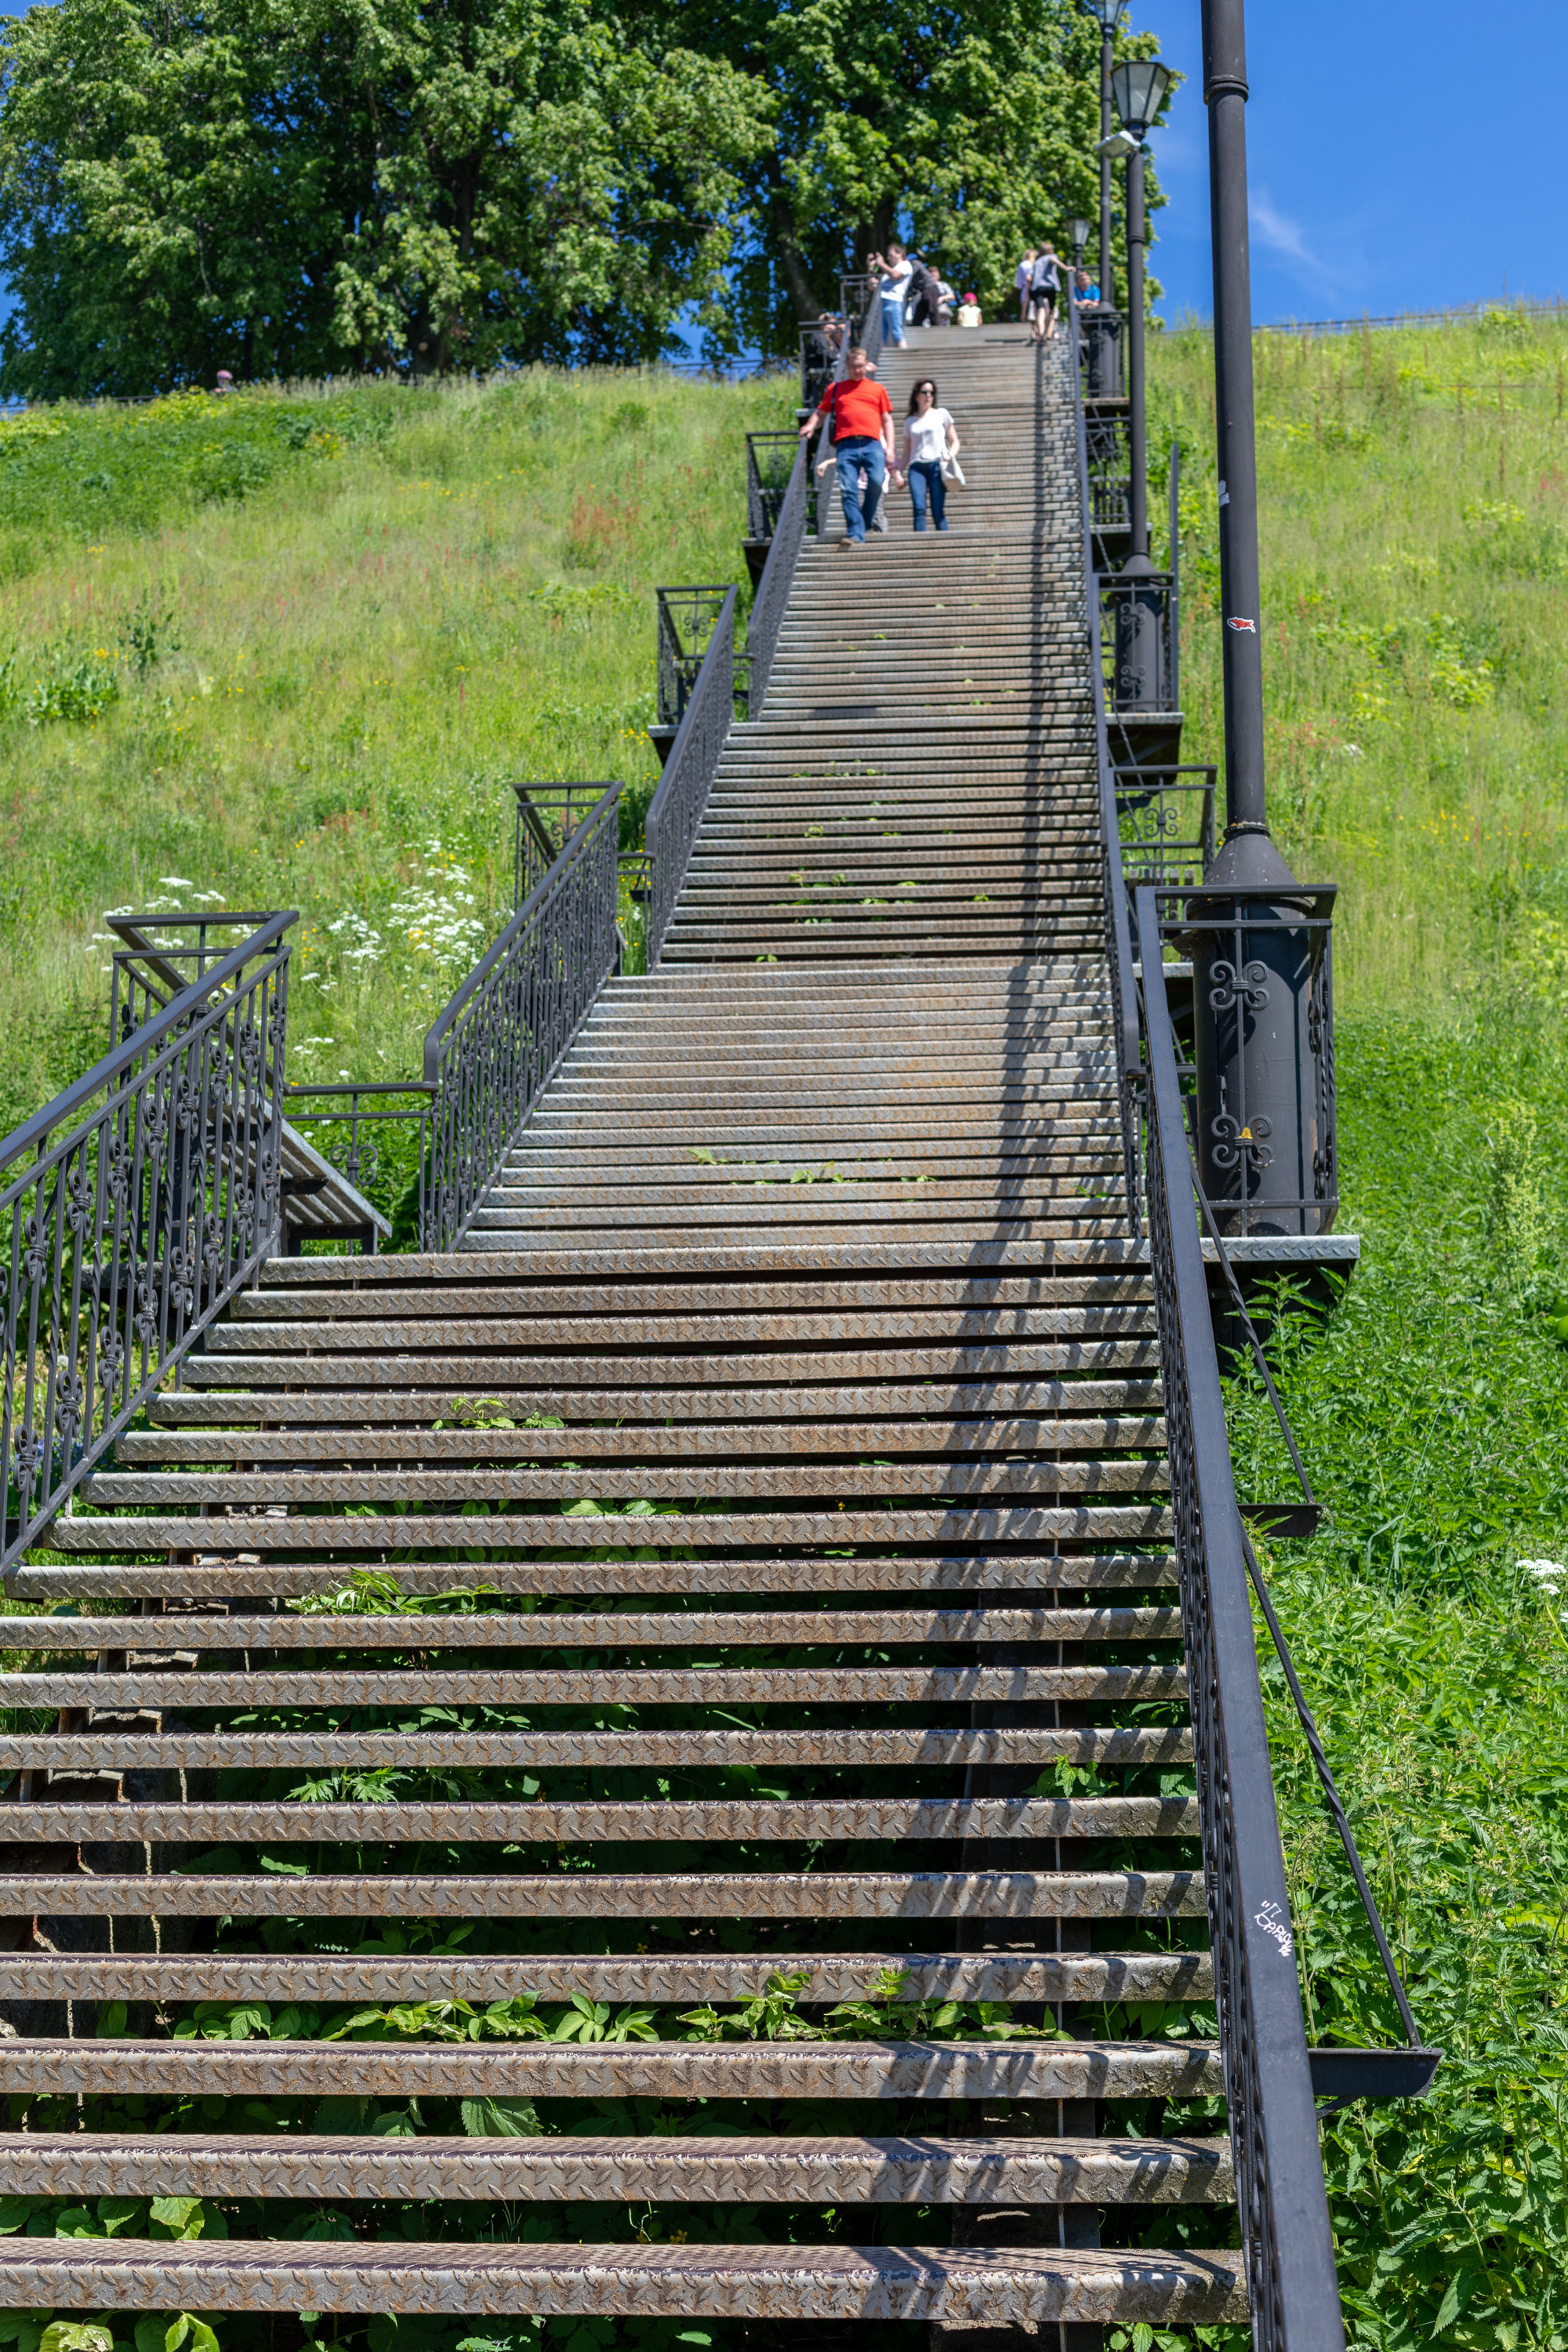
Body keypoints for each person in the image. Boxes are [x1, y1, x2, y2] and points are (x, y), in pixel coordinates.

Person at [798, 345, 895, 546]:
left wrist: (891, 447)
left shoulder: (878, 389)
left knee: (877, 481)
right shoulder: (835, 389)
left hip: (872, 443)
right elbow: (821, 413)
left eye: (860, 366)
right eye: (853, 367)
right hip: (846, 445)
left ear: (867, 365)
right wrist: (810, 426)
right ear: (846, 366)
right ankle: (855, 533)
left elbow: (887, 420)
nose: (857, 370)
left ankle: (865, 520)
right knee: (848, 489)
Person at [894, 378, 960, 532]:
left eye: (932, 392)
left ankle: (946, 545)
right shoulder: (909, 421)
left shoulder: (941, 414)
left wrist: (950, 455)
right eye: (925, 392)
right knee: (919, 508)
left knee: (938, 510)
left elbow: (955, 441)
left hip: (937, 465)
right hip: (916, 468)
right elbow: (906, 453)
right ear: (917, 395)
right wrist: (898, 473)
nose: (929, 395)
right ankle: (919, 546)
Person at [867, 246, 913, 348]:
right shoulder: (887, 273)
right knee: (882, 336)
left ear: (899, 254)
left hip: (894, 301)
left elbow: (895, 275)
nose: (888, 258)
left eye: (890, 255)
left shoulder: (905, 265)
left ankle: (904, 357)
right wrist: (870, 267)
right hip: (882, 303)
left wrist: (881, 264)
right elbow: (871, 286)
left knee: (897, 332)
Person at [1029, 243, 1061, 343]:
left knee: (1041, 311)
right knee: (1051, 311)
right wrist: (1067, 268)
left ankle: (1042, 332)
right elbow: (1055, 261)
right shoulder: (1051, 257)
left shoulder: (1036, 262)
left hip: (1038, 288)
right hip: (1050, 287)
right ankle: (1048, 334)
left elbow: (1030, 277)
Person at [1015, 249, 1036, 324]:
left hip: (1026, 291)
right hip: (1039, 291)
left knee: (1028, 315)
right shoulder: (1036, 264)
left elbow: (1019, 285)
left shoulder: (1022, 265)